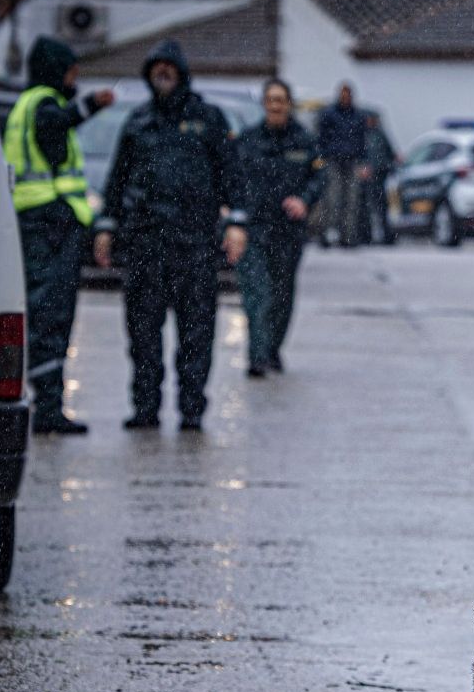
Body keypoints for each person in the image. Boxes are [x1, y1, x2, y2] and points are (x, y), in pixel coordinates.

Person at [92, 40, 247, 432]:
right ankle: (145, 406)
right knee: (143, 332)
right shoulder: (138, 121)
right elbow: (117, 179)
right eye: (155, 67)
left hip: (193, 242)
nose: (162, 73)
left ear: (181, 71)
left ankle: (191, 407)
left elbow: (231, 175)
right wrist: (107, 227)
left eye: (168, 66)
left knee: (196, 330)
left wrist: (236, 224)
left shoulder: (208, 118)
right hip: (145, 241)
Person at [2, 36, 113, 435]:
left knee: (43, 312)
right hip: (49, 224)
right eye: (71, 71)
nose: (75, 78)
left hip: (37, 222)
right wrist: (89, 106)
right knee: (51, 314)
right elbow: (56, 125)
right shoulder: (45, 104)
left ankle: (45, 403)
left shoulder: (24, 103)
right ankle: (48, 409)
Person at [235, 78, 326, 378]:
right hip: (254, 228)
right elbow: (230, 177)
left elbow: (319, 178)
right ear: (264, 104)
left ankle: (272, 348)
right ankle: (257, 354)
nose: (275, 106)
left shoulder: (304, 141)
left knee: (282, 295)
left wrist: (304, 200)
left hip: (288, 231)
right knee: (257, 293)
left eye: (281, 100)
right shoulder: (247, 140)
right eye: (271, 100)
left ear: (288, 104)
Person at [316, 83, 367, 247]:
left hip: (352, 160)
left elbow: (362, 140)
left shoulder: (357, 116)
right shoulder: (329, 114)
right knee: (332, 199)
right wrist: (323, 155)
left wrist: (364, 162)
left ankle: (348, 236)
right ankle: (326, 234)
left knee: (352, 201)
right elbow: (321, 137)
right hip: (333, 160)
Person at [357, 111, 396, 245]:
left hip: (379, 176)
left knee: (381, 208)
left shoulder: (380, 135)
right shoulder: (360, 135)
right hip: (365, 179)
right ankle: (365, 236)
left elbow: (390, 154)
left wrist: (385, 167)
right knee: (365, 208)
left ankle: (386, 236)